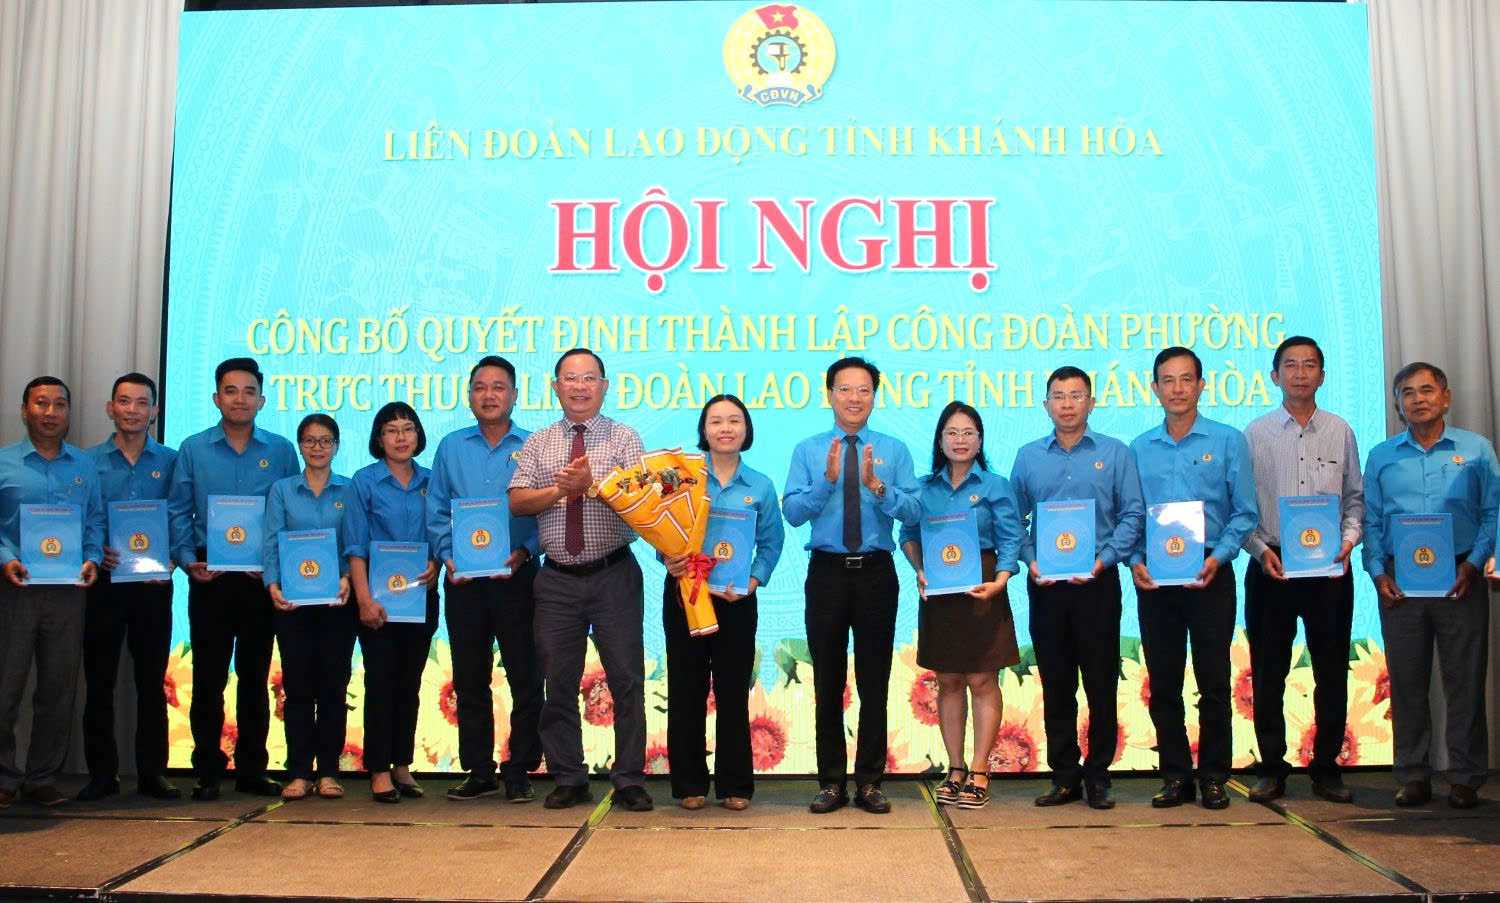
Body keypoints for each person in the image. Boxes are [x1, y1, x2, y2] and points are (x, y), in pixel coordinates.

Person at [510, 348, 652, 812]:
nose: (579, 386)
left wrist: (596, 485)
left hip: (613, 574)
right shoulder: (539, 443)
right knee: (558, 680)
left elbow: (642, 504)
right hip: (557, 583)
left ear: (604, 386)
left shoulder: (625, 438)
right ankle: (568, 776)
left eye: (589, 378)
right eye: (570, 378)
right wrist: (562, 490)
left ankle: (629, 778)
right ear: (555, 387)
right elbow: (518, 501)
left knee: (627, 679)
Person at [784, 356, 920, 815]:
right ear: (829, 395)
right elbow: (794, 513)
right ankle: (830, 782)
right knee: (828, 680)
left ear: (874, 396)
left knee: (874, 680)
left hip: (877, 574)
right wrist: (827, 482)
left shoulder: (894, 450)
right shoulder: (808, 450)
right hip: (826, 573)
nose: (854, 398)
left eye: (864, 390)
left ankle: (869, 781)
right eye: (845, 389)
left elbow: (915, 512)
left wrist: (878, 487)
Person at [1129, 347, 1258, 810]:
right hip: (1155, 579)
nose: (1177, 389)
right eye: (1168, 380)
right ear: (1155, 387)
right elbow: (1131, 515)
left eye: (1187, 379)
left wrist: (1219, 558)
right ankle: (1176, 776)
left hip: (1210, 574)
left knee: (1213, 679)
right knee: (1163, 680)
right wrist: (1135, 560)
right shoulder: (1140, 448)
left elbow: (1246, 513)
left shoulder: (1228, 440)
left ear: (1202, 385)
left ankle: (1214, 776)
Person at [1011, 367, 1144, 810]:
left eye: (1076, 395)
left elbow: (1133, 515)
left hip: (1097, 584)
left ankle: (1099, 775)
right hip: (1046, 587)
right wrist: (1030, 560)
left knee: (1101, 681)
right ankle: (1064, 776)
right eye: (1059, 396)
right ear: (1045, 404)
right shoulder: (1028, 457)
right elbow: (1015, 520)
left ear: (1092, 401)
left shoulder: (1116, 453)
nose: (1067, 404)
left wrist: (1104, 560)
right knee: (1057, 682)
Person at [1365, 362, 1495, 810]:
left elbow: (1493, 512)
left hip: (1462, 578)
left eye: (1426, 390)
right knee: (1406, 681)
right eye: (1407, 392)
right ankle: (1412, 774)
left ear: (1446, 397)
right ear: (1398, 404)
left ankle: (1465, 776)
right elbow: (1373, 520)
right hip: (1401, 583)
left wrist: (1474, 564)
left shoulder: (1476, 450)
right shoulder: (1382, 456)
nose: (1418, 399)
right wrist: (1377, 572)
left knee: (1464, 680)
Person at [168, 357, 299, 800]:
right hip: (211, 575)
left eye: (248, 391)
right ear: (215, 397)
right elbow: (177, 509)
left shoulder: (280, 450)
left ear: (261, 399)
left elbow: (290, 513)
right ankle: (207, 769)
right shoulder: (193, 448)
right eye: (230, 390)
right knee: (208, 676)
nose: (239, 399)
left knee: (255, 675)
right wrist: (188, 560)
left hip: (261, 579)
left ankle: (252, 769)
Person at [1242, 337, 1363, 804]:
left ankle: (1327, 767)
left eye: (1309, 365)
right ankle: (1272, 768)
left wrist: (1348, 543)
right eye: (1289, 365)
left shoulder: (1341, 430)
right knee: (1268, 671)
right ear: (1274, 376)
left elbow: (1354, 499)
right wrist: (1256, 550)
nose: (1299, 373)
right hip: (1271, 564)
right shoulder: (1254, 434)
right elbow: (1243, 505)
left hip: (1329, 569)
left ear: (1322, 375)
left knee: (1331, 669)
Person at [426, 356, 543, 802]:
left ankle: (520, 768)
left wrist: (525, 551)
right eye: (480, 387)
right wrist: (448, 556)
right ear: (469, 394)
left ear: (514, 395)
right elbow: (436, 508)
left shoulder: (533, 445)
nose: (489, 395)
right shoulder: (451, 447)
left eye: (498, 387)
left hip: (518, 576)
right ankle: (478, 769)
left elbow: (545, 510)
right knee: (470, 676)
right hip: (464, 581)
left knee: (525, 674)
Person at [662, 395, 784, 811]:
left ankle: (736, 785)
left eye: (734, 421)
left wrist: (754, 580)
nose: (725, 428)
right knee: (686, 687)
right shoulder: (683, 478)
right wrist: (670, 558)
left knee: (733, 691)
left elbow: (772, 541)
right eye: (716, 421)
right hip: (686, 595)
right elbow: (664, 530)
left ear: (746, 429)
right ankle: (689, 784)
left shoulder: (761, 486)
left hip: (735, 599)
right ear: (704, 430)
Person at [900, 401, 1020, 810]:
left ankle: (981, 769)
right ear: (939, 440)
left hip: (984, 587)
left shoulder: (995, 485)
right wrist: (919, 569)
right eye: (952, 432)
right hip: (940, 592)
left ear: (981, 439)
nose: (960, 440)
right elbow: (909, 534)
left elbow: (1010, 538)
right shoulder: (923, 487)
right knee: (948, 680)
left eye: (969, 432)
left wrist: (1000, 581)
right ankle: (954, 769)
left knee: (983, 680)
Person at [0, 377, 104, 808]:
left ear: (69, 414)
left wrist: (92, 559)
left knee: (58, 688)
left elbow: (95, 522)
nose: (50, 412)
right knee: (6, 688)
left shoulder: (84, 467)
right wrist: (4, 557)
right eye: (41, 403)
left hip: (68, 592)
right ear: (25, 411)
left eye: (59, 404)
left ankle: (41, 777)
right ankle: (4, 778)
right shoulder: (4, 463)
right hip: (15, 589)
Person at [78, 373, 181, 802]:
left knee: (151, 681)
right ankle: (102, 775)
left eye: (142, 403)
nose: (133, 410)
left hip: (154, 585)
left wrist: (174, 555)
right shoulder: (86, 462)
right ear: (110, 407)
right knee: (99, 682)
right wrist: (94, 547)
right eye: (125, 401)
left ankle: (152, 774)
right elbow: (82, 516)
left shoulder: (172, 461)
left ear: (154, 412)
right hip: (105, 584)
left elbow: (179, 514)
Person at [345, 402, 440, 803]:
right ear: (378, 438)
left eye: (408, 429)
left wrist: (437, 562)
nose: (401, 437)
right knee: (381, 684)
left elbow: (440, 532)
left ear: (418, 435)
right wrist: (364, 600)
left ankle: (402, 764)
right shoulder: (363, 482)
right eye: (391, 430)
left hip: (421, 598)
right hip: (377, 603)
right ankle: (379, 770)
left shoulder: (432, 481)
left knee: (410, 685)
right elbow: (355, 544)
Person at [264, 414, 354, 801]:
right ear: (300, 445)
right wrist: (272, 583)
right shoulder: (282, 490)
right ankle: (299, 772)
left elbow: (356, 542)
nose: (318, 447)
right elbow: (270, 541)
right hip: (294, 603)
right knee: (298, 688)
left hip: (338, 602)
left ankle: (329, 771)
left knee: (334, 688)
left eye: (325, 440)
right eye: (310, 440)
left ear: (336, 445)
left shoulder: (349, 490)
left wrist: (349, 574)